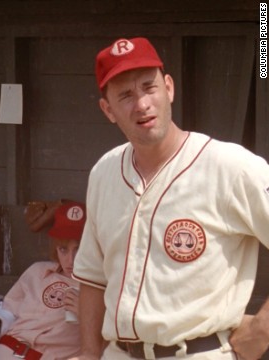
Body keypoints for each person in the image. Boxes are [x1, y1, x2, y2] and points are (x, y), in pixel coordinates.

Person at [72, 37, 269, 360]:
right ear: (107, 109)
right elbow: (93, 277)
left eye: (149, 88)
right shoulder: (104, 172)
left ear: (169, 88)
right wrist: (89, 353)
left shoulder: (230, 167)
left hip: (196, 351)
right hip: (118, 353)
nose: (142, 104)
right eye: (125, 95)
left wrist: (261, 331)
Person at [0, 201, 86, 360]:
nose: (70, 260)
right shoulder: (37, 271)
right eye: (63, 249)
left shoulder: (99, 289)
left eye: (78, 249)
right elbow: (0, 318)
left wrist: (88, 316)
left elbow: (109, 346)